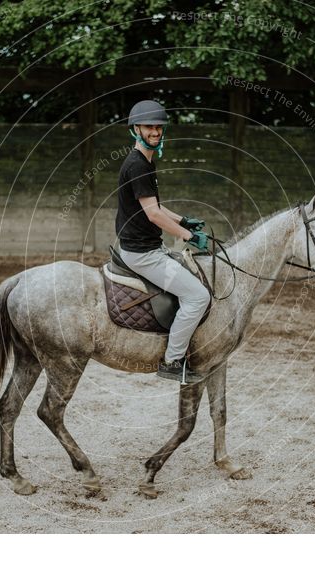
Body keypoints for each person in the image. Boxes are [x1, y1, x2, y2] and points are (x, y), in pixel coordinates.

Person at [115, 99, 210, 384]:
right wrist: (188, 237)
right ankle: (172, 361)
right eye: (149, 127)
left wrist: (183, 221)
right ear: (136, 129)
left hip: (146, 246)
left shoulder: (146, 161)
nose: (155, 131)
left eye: (158, 126)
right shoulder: (137, 165)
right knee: (198, 296)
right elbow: (153, 214)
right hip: (143, 254)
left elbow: (156, 205)